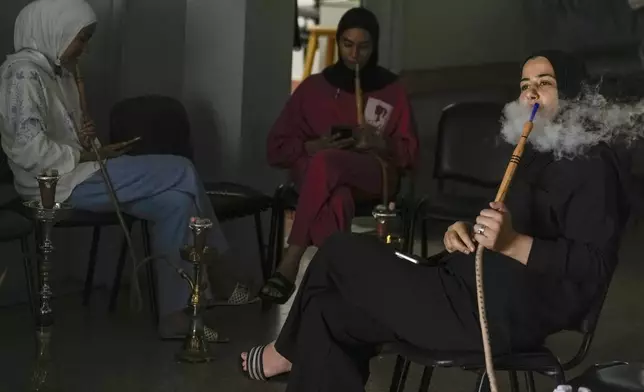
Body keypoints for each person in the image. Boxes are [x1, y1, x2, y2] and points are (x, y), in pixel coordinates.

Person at [239, 50, 632, 390]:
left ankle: (282, 351)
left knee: (341, 248)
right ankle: (293, 350)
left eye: (544, 82)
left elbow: (593, 267)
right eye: (524, 82)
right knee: (328, 313)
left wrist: (512, 244)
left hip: (495, 317)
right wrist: (465, 232)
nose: (530, 91)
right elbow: (505, 223)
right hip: (458, 289)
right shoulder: (538, 152)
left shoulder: (593, 165)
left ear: (575, 95)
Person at [0, 0, 241, 340]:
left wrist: (91, 146)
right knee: (181, 169)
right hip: (52, 184)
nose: (83, 48)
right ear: (55, 31)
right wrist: (86, 156)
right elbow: (30, 151)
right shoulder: (23, 74)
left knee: (176, 202)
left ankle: (175, 314)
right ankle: (222, 272)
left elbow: (67, 142)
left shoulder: (59, 71)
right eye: (81, 38)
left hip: (79, 173)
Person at [261, 7, 419, 304]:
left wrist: (381, 142)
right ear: (338, 43)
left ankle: (292, 258)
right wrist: (311, 146)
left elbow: (410, 155)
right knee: (337, 195)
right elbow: (275, 149)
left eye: (363, 46)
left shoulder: (392, 89)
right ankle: (337, 293)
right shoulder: (314, 88)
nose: (354, 54)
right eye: (347, 44)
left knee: (327, 162)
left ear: (376, 46)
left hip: (374, 176)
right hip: (324, 184)